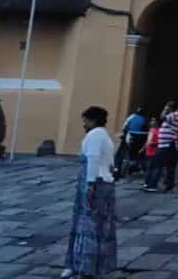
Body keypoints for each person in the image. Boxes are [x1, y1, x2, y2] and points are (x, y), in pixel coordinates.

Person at [62, 106, 117, 279]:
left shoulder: (94, 135)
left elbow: (93, 159)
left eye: (85, 121)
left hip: (94, 182)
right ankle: (94, 266)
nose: (84, 124)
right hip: (105, 182)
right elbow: (110, 162)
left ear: (92, 120)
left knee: (88, 226)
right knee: (100, 227)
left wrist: (90, 184)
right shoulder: (105, 136)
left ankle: (85, 268)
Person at [156, 102, 178, 192]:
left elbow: (161, 116)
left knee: (168, 166)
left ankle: (168, 184)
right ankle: (167, 183)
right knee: (166, 165)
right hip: (164, 144)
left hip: (168, 144)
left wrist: (165, 109)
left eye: (166, 108)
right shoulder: (171, 117)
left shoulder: (173, 116)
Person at [118, 106, 147, 176]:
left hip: (130, 136)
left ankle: (124, 171)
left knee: (127, 154)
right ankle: (133, 168)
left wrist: (124, 134)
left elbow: (125, 126)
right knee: (136, 154)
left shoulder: (132, 117)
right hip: (138, 138)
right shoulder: (144, 119)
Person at [141, 118, 161, 192]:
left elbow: (149, 142)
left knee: (150, 169)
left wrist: (145, 147)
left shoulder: (153, 130)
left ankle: (148, 184)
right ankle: (150, 184)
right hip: (154, 152)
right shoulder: (157, 130)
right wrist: (143, 148)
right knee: (153, 169)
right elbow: (149, 142)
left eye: (153, 121)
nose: (151, 122)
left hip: (151, 152)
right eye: (151, 120)